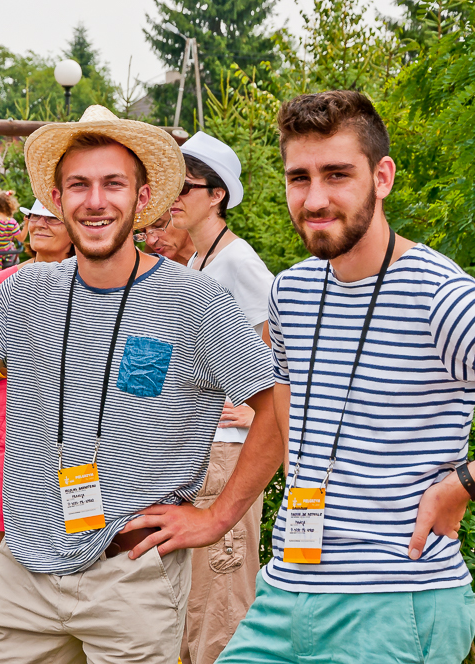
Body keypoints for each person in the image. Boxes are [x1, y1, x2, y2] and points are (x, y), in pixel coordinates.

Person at [0, 105, 283, 663]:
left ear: (142, 198)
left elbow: (278, 409)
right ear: (58, 198)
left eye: (113, 183)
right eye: (78, 185)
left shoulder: (196, 302)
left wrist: (218, 516)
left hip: (131, 574)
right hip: (23, 575)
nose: (95, 201)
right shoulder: (26, 291)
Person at [216, 90, 475, 663]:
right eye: (299, 178)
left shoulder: (440, 298)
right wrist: (220, 516)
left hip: (397, 603)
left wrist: (466, 482)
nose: (315, 199)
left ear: (382, 177)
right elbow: (286, 405)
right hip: (284, 593)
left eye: (337, 174)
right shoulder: (291, 291)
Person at [167, 131, 275, 664]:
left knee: (222, 605)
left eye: (185, 187)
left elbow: (280, 346)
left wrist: (252, 408)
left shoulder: (237, 261)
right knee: (195, 605)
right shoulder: (199, 263)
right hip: (199, 450)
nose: (173, 198)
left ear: (217, 195)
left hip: (228, 453)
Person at [0, 199, 74, 579]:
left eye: (53, 218)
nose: (40, 223)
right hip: (12, 421)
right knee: (5, 532)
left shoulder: (94, 285)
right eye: (35, 216)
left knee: (77, 524)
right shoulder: (2, 283)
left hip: (75, 425)